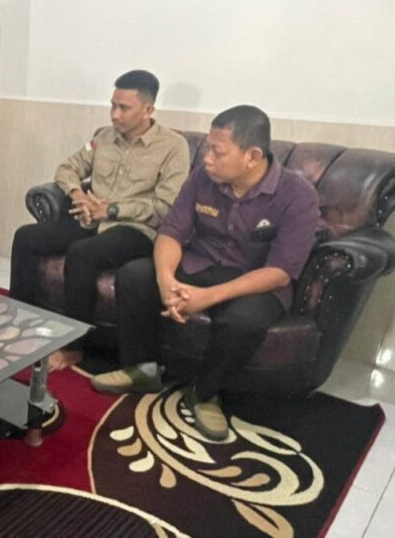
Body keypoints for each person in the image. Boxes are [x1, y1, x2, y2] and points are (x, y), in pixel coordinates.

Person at [90, 105, 320, 441]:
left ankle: (205, 393)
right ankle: (142, 369)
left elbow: (281, 271)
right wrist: (166, 280)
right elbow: (171, 232)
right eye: (208, 148)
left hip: (256, 280)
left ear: (252, 156)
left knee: (242, 321)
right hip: (201, 262)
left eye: (217, 151)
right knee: (135, 276)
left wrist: (207, 297)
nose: (207, 158)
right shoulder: (202, 177)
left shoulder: (297, 195)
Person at [9, 70, 190, 370]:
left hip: (135, 229)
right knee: (27, 236)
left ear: (148, 109)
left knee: (82, 254)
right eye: (113, 105)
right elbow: (67, 168)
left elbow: (165, 206)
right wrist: (78, 195)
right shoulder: (103, 137)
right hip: (90, 220)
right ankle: (19, 320)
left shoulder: (173, 147)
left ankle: (74, 347)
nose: (115, 115)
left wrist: (112, 210)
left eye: (124, 108)